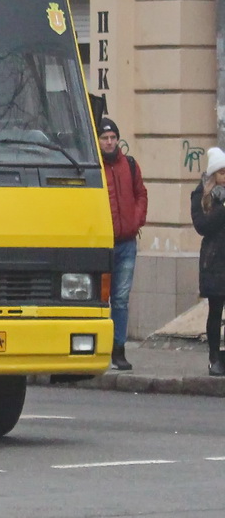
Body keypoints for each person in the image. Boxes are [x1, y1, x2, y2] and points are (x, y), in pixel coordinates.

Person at [98, 117, 148, 371]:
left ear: (117, 140)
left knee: (119, 299)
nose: (109, 142)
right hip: (101, 243)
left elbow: (141, 193)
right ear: (98, 141)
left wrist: (136, 219)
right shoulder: (94, 167)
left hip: (126, 242)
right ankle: (98, 349)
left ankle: (118, 350)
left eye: (112, 138)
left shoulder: (128, 164)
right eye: (105, 138)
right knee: (97, 299)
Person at [190, 146, 225, 376]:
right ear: (213, 175)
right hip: (214, 262)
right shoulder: (200, 195)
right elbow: (201, 226)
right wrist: (223, 210)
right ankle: (214, 358)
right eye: (222, 172)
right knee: (215, 311)